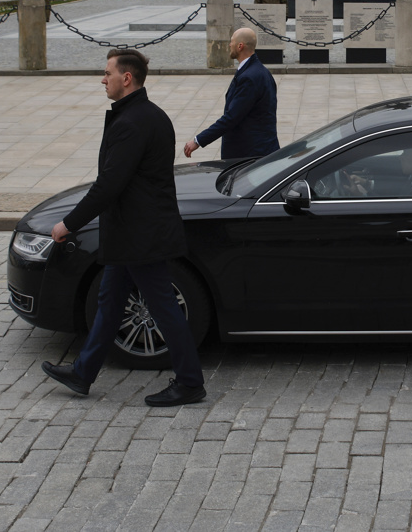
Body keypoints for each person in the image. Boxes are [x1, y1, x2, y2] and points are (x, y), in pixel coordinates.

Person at [41, 49, 207, 408]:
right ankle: (83, 373)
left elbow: (108, 185)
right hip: (133, 233)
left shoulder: (132, 123)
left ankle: (191, 382)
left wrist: (69, 223)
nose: (103, 79)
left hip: (140, 236)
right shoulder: (149, 115)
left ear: (126, 78)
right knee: (110, 303)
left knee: (163, 307)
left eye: (107, 73)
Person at [184, 27, 279, 160]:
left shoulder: (249, 78)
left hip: (250, 153)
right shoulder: (259, 71)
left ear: (240, 46)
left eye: (232, 41)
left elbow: (231, 118)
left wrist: (198, 140)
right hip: (258, 149)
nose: (229, 45)